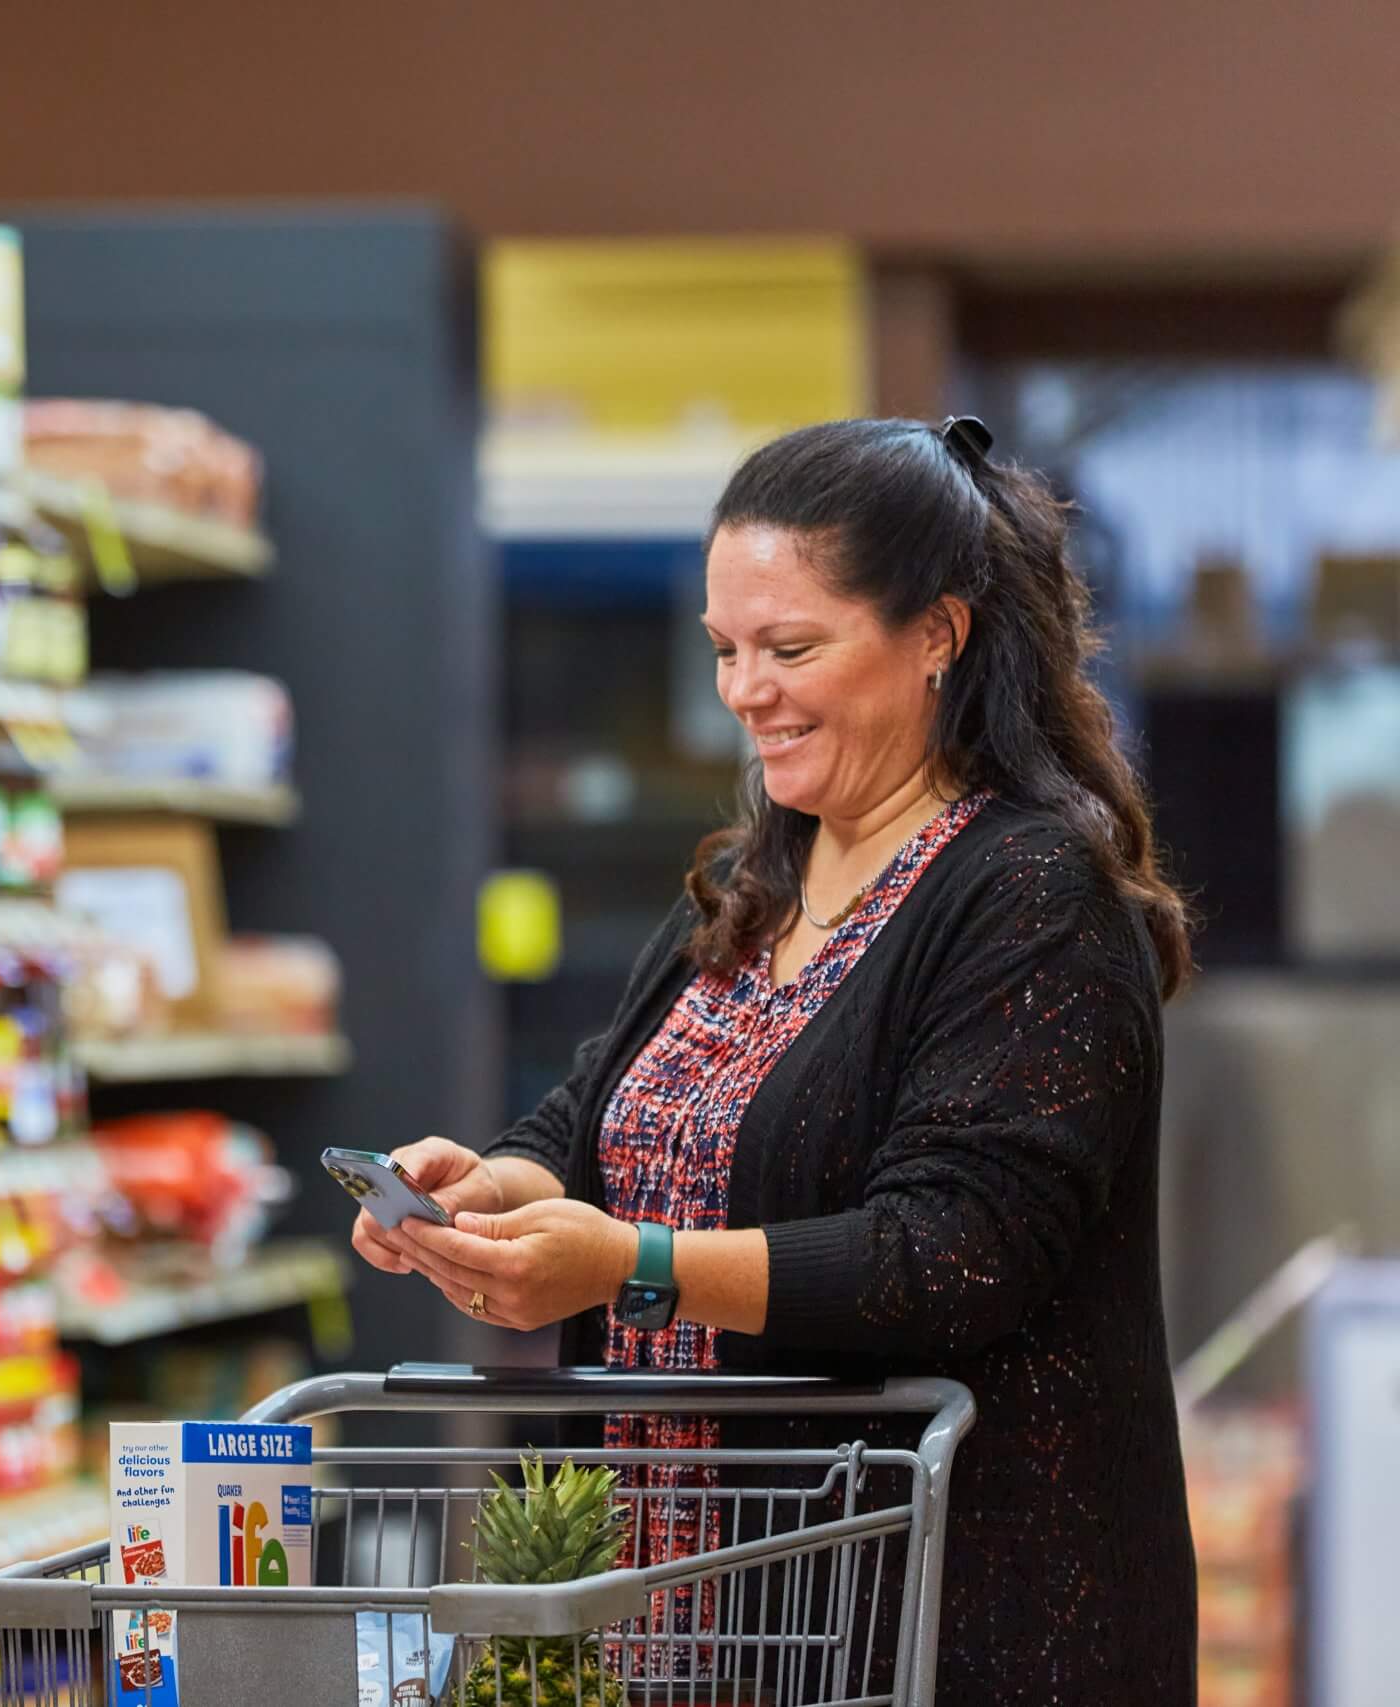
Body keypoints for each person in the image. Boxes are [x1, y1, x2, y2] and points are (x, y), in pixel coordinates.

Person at [354, 417, 1196, 1703]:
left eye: (790, 647)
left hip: (950, 1623)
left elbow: (949, 1255)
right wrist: (501, 1187)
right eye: (725, 650)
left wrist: (627, 1266)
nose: (743, 691)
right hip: (707, 1616)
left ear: (937, 637)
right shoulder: (768, 872)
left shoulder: (1031, 892)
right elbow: (601, 1116)